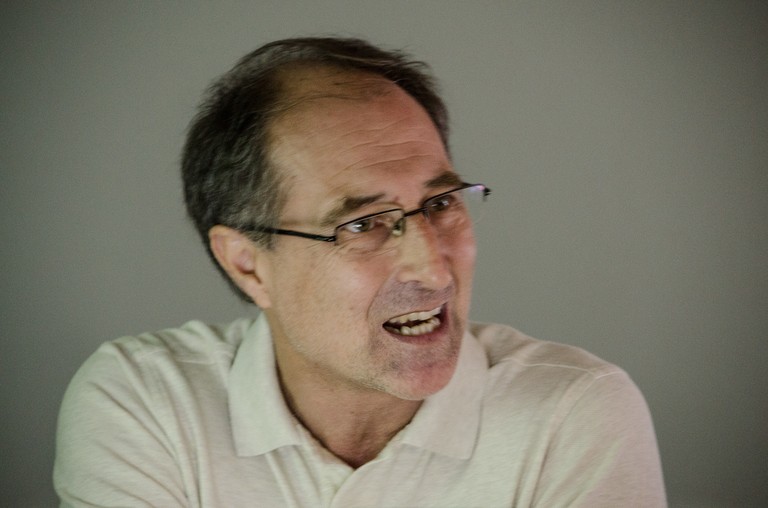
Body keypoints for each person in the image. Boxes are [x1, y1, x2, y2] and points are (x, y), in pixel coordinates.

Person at [54, 37, 666, 507]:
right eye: (363, 224)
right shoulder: (145, 404)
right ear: (248, 266)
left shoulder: (574, 412)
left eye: (441, 203)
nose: (432, 267)